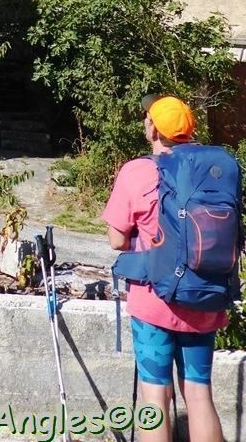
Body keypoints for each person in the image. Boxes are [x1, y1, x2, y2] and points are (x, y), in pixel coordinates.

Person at [103, 94, 227, 442]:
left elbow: (116, 240)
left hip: (153, 300)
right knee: (199, 396)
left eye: (148, 118)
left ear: (154, 129)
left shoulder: (137, 171)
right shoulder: (215, 169)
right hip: (203, 297)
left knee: (155, 398)